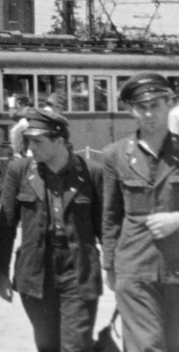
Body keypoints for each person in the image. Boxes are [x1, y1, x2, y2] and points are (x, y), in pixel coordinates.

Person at [0, 107, 103, 352]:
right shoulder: (19, 171)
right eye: (28, 140)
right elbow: (6, 225)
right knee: (47, 345)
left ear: (60, 140)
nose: (31, 147)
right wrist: (0, 270)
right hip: (35, 271)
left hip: (78, 270)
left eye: (37, 141)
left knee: (76, 345)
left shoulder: (92, 173)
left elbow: (106, 228)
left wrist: (117, 268)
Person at [101, 72, 179, 352]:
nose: (149, 114)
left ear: (171, 103)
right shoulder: (115, 154)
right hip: (134, 265)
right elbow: (110, 215)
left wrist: (176, 219)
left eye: (156, 105)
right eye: (141, 107)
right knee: (147, 346)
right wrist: (109, 264)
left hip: (176, 265)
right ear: (129, 110)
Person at [10, 97, 34, 162]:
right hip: (29, 146)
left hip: (28, 150)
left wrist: (11, 105)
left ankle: (17, 153)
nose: (17, 108)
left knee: (14, 131)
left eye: (17, 105)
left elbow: (13, 116)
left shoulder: (27, 110)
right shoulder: (30, 111)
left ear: (23, 104)